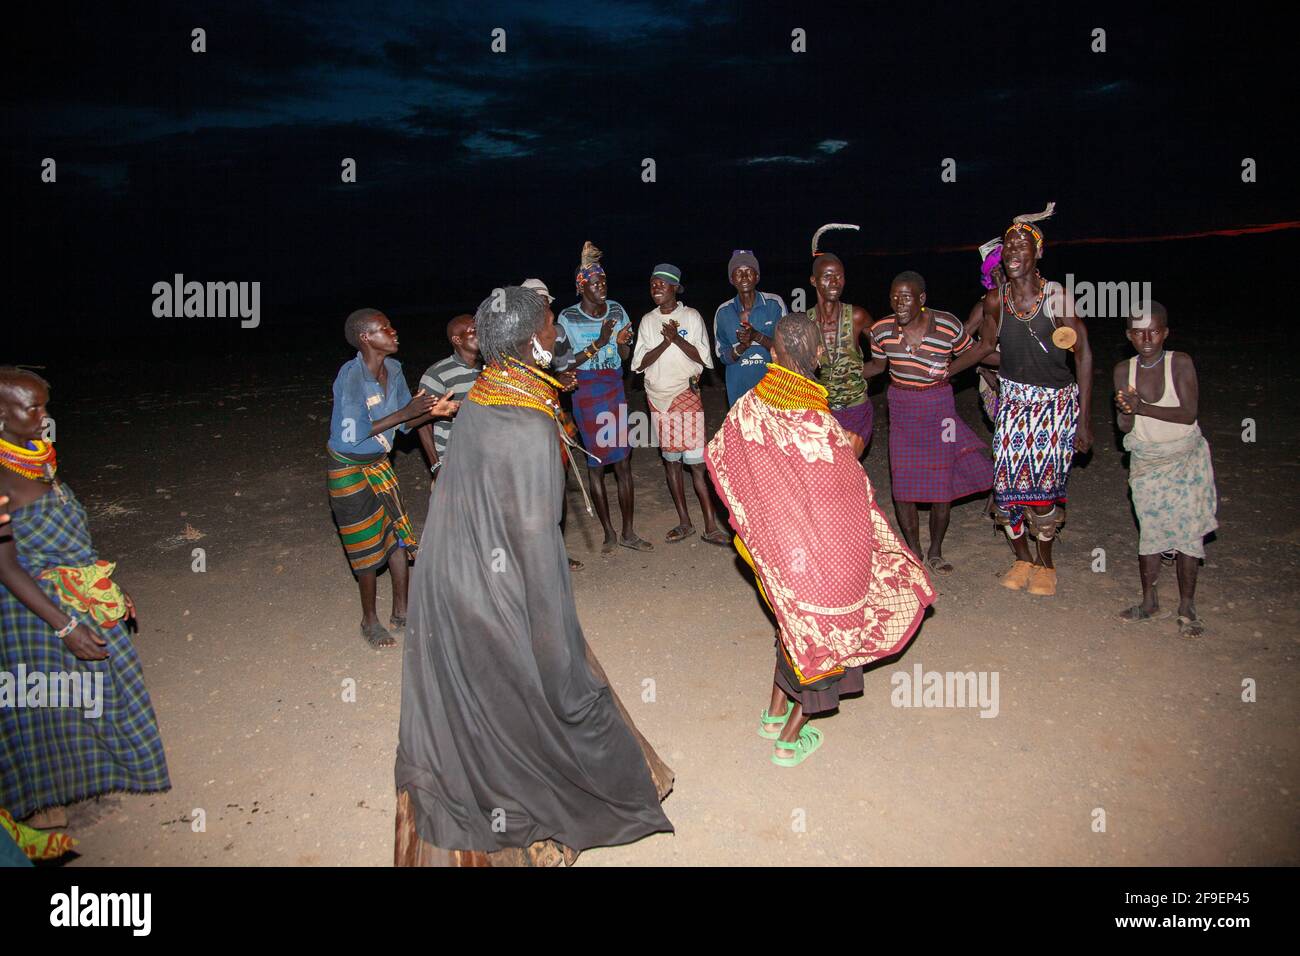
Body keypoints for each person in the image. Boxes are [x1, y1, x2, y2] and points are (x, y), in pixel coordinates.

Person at [394, 286, 673, 866]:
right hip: (494, 591)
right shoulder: (525, 423)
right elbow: (536, 545)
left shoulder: (487, 393)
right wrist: (556, 650)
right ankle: (548, 825)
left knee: (489, 712)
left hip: (455, 579)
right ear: (527, 340)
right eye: (550, 324)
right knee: (541, 701)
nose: (557, 333)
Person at [706, 316, 935, 767]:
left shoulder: (750, 406)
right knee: (825, 630)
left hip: (772, 550)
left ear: (773, 356)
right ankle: (790, 738)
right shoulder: (819, 422)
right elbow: (844, 493)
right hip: (813, 555)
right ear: (817, 357)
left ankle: (774, 714)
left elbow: (722, 456)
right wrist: (849, 452)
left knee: (790, 622)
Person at [0, 368, 170, 831]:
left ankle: (67, 795)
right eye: (31, 407)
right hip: (30, 610)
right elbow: (6, 565)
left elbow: (69, 538)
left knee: (79, 698)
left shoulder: (33, 460)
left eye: (43, 405)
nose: (43, 416)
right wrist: (65, 625)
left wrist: (109, 587)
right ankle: (38, 810)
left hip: (73, 595)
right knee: (38, 709)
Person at [980, 203, 1093, 597]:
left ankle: (1046, 565)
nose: (1013, 251)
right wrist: (945, 363)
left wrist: (1084, 420)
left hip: (1053, 406)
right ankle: (1021, 558)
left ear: (1038, 253)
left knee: (1042, 491)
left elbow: (1084, 353)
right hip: (1012, 402)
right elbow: (987, 350)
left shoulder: (1056, 298)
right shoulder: (996, 301)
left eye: (1022, 245)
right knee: (1007, 490)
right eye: (1008, 245)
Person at [327, 309, 458, 648]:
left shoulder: (394, 370)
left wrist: (432, 412)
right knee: (366, 549)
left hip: (380, 464)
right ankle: (369, 621)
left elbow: (403, 424)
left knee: (398, 538)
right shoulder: (351, 377)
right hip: (348, 470)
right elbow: (351, 433)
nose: (393, 331)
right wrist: (407, 412)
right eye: (384, 328)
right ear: (365, 337)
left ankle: (403, 612)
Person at [864, 271, 994, 574]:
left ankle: (935, 549)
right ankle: (914, 550)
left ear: (922, 299)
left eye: (906, 296)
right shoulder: (881, 330)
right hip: (902, 407)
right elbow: (876, 366)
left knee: (940, 480)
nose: (899, 303)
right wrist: (842, 377)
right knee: (903, 483)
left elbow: (971, 353)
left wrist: (954, 372)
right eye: (894, 296)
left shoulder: (947, 324)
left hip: (939, 407)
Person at [1114, 302, 1216, 637]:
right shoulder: (1123, 371)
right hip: (1147, 460)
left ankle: (1187, 605)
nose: (1147, 337)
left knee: (1188, 533)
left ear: (1166, 332)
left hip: (1185, 457)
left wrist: (1141, 406)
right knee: (1151, 533)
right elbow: (1125, 428)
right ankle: (1149, 602)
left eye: (1154, 330)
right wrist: (1128, 411)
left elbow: (1188, 413)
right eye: (1139, 332)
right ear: (1129, 335)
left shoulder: (1180, 363)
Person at [557, 242, 651, 553]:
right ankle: (608, 531)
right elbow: (565, 365)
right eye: (595, 284)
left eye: (604, 282)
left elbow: (624, 356)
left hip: (612, 386)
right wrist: (600, 341)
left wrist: (623, 342)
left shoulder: (617, 309)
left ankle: (628, 530)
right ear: (581, 287)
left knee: (622, 459)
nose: (602, 288)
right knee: (595, 464)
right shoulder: (567, 318)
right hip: (585, 391)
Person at [632, 263, 728, 545]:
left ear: (675, 287)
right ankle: (684, 522)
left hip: (685, 394)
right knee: (671, 463)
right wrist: (664, 342)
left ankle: (710, 525)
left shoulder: (691, 316)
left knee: (696, 463)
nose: (656, 288)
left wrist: (676, 339)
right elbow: (639, 364)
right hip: (657, 399)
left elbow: (703, 357)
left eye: (662, 283)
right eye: (652, 284)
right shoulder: (648, 321)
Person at [808, 224, 875, 456]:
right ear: (813, 281)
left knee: (846, 468)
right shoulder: (806, 324)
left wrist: (854, 374)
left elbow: (882, 359)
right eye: (827, 276)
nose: (835, 282)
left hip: (855, 410)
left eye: (839, 276)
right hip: (821, 411)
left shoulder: (857, 316)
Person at [713, 250, 786, 406]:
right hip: (739, 394)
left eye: (749, 271)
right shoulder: (723, 312)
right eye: (738, 272)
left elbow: (786, 351)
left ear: (757, 277)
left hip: (773, 392)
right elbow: (722, 356)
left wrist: (757, 336)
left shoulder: (774, 304)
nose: (744, 276)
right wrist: (741, 348)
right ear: (732, 279)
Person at [416, 314, 481, 478]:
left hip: (486, 455)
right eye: (473, 330)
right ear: (458, 340)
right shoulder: (438, 374)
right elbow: (422, 423)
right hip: (453, 458)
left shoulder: (490, 368)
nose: (481, 332)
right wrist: (436, 465)